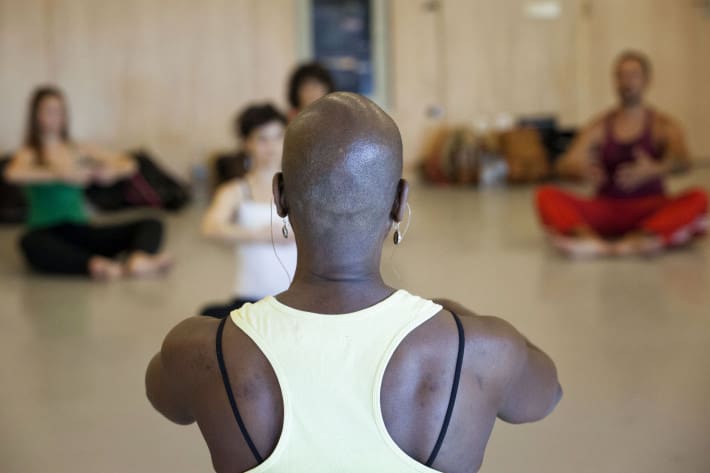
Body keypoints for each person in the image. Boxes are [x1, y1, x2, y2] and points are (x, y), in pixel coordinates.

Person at [146, 92, 562, 472]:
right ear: (400, 202)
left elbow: (165, 397)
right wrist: (453, 311)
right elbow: (546, 394)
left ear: (280, 196)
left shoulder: (199, 348)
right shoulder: (481, 347)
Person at [536, 51, 708, 258]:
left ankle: (643, 237)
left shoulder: (663, 125)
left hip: (650, 208)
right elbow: (565, 164)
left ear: (646, 80)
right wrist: (579, 171)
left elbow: (684, 162)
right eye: (620, 76)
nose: (626, 82)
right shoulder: (599, 125)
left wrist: (656, 169)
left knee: (699, 197)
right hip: (606, 208)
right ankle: (587, 239)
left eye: (633, 75)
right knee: (545, 195)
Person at [5, 86, 173, 280]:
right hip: (46, 231)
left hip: (81, 230)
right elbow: (13, 174)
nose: (55, 117)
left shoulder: (77, 149)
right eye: (49, 111)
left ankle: (138, 260)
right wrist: (59, 174)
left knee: (152, 222)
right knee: (29, 242)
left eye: (60, 111)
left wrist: (110, 172)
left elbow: (129, 163)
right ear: (36, 115)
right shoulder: (30, 153)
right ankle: (95, 265)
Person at [200, 104, 296, 318]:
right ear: (247, 143)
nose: (271, 146)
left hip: (295, 299)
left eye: (278, 136)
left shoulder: (300, 187)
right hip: (250, 300)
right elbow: (210, 227)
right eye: (262, 139)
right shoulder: (236, 190)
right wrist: (259, 234)